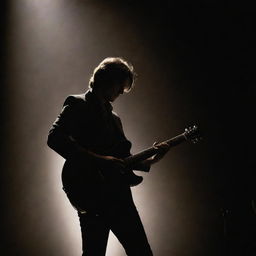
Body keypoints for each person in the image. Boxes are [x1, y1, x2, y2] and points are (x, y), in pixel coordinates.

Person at [47, 57, 169, 256]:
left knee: (141, 252)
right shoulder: (77, 104)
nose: (122, 92)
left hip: (118, 196)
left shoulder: (115, 119)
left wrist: (154, 159)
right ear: (107, 79)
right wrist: (100, 160)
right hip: (89, 193)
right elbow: (54, 138)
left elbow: (123, 160)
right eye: (121, 86)